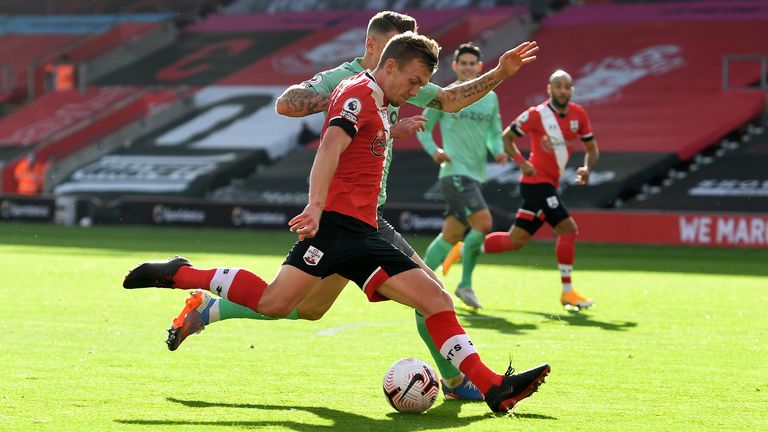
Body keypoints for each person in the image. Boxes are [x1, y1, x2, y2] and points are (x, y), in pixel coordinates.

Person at [124, 32, 550, 413]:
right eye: (414, 81)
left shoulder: (382, 100)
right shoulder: (357, 93)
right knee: (286, 303)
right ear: (388, 64)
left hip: (361, 230)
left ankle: (493, 386)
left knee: (298, 306)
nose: (417, 90)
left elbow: (371, 136)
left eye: (421, 85)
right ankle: (183, 275)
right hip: (337, 228)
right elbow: (329, 146)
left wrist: (491, 76)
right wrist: (315, 205)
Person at [442, 69, 600, 311]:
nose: (562, 91)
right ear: (549, 89)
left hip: (549, 184)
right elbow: (507, 138)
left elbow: (592, 149)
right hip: (536, 184)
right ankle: (568, 292)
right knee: (568, 230)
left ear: (572, 90)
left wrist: (587, 168)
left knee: (516, 240)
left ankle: (465, 249)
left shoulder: (579, 114)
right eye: (558, 86)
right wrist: (523, 162)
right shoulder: (537, 115)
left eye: (567, 86)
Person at [418, 43, 507, 309]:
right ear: (456, 67)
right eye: (463, 64)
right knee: (483, 223)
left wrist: (499, 151)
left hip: (475, 175)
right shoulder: (447, 95)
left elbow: (494, 131)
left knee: (451, 234)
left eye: (473, 64)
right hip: (455, 173)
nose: (468, 68)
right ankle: (465, 284)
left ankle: (415, 281)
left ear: (480, 67)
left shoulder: (490, 97)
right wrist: (435, 151)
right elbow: (424, 127)